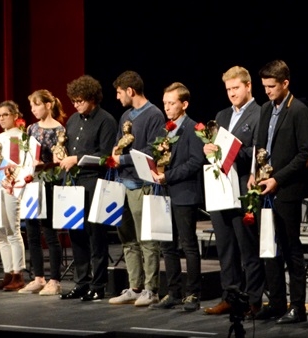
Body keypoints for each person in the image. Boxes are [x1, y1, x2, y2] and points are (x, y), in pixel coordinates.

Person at [249, 60, 308, 324]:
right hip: (264, 188)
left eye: (271, 86)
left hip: (287, 190)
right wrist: (254, 173)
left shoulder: (298, 110)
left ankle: (297, 307)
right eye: (264, 86)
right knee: (269, 246)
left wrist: (277, 179)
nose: (267, 91)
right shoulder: (266, 109)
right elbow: (259, 146)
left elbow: (305, 153)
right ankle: (276, 303)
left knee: (290, 249)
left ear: (285, 83)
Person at [202, 66, 263, 316]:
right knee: (225, 246)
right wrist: (208, 149)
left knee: (247, 247)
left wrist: (234, 151)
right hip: (221, 187)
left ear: (248, 86)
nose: (232, 93)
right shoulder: (222, 115)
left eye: (236, 88)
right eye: (228, 89)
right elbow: (216, 148)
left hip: (243, 187)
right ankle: (230, 296)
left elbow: (259, 152)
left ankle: (254, 300)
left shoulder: (260, 114)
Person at [107, 71, 165, 307]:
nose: (117, 97)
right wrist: (114, 156)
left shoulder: (154, 115)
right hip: (122, 184)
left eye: (119, 92)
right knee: (127, 239)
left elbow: (152, 150)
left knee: (146, 239)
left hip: (142, 185)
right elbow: (119, 145)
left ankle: (151, 289)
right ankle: (135, 286)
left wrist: (122, 160)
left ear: (130, 91)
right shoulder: (125, 116)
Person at [56, 75, 116, 301]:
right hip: (74, 182)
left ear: (92, 98)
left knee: (95, 235)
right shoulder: (72, 120)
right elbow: (67, 147)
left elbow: (106, 155)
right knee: (76, 233)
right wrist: (61, 155)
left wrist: (77, 158)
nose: (76, 105)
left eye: (80, 100)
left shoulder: (106, 120)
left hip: (94, 181)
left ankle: (98, 284)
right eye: (73, 101)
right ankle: (81, 282)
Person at [151, 82, 206, 311]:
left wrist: (169, 176)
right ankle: (173, 292)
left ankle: (193, 294)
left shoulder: (193, 128)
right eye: (165, 103)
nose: (167, 107)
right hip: (165, 193)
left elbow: (195, 162)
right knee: (167, 245)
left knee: (188, 245)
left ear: (184, 104)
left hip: (184, 194)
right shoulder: (165, 130)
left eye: (171, 103)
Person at [18, 90, 66, 296]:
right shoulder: (31, 128)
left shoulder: (59, 129)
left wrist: (46, 163)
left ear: (48, 105)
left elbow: (59, 159)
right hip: (32, 183)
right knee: (32, 232)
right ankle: (38, 277)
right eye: (31, 106)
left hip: (49, 182)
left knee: (49, 232)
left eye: (36, 105)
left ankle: (55, 280)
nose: (33, 109)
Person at [0, 101, 27, 291]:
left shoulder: (20, 137)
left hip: (12, 186)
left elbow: (20, 163)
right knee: (0, 232)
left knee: (12, 230)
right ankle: (7, 272)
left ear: (14, 115)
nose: (2, 118)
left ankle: (18, 274)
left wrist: (11, 180)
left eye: (5, 114)